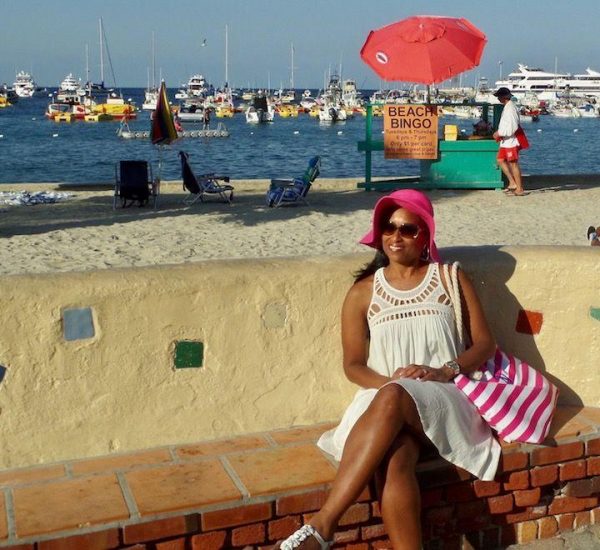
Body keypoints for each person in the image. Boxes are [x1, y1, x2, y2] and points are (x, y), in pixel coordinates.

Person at [277, 190, 501, 550]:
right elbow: (352, 365)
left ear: (425, 234)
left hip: (445, 397)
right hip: (385, 403)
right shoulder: (363, 292)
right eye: (388, 227)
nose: (396, 236)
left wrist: (446, 370)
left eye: (407, 229)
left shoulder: (449, 278)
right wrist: (389, 386)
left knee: (396, 401)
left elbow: (485, 344)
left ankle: (323, 527)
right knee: (395, 460)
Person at [492, 87, 527, 196]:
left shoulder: (511, 108)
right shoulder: (508, 107)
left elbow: (512, 126)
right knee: (500, 160)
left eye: (499, 96)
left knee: (513, 163)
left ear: (503, 97)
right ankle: (512, 182)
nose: (498, 98)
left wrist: (500, 133)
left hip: (511, 140)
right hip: (506, 140)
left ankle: (519, 188)